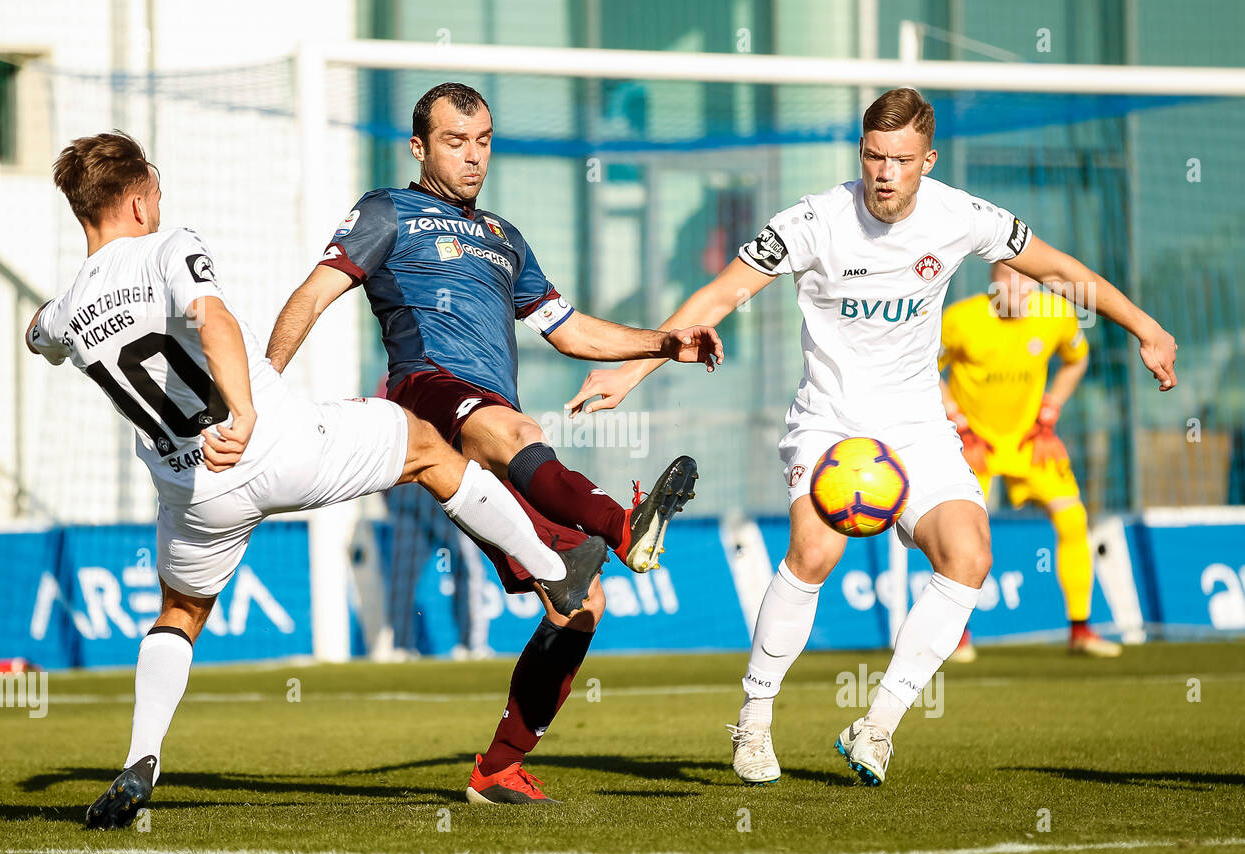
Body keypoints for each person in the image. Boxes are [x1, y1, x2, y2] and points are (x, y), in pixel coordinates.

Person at [567, 88, 1177, 788]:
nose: (885, 172)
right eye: (873, 156)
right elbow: (717, 297)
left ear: (929, 160)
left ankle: (876, 726)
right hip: (830, 422)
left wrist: (1145, 328)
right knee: (817, 548)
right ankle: (755, 719)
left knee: (969, 555)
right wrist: (631, 371)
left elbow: (1061, 270)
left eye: (901, 160)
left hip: (918, 430)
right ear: (860, 152)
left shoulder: (962, 216)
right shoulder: (812, 221)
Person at [28, 131, 606, 829]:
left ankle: (141, 758)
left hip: (192, 493)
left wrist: (52, 327)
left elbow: (41, 332)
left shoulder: (70, 307)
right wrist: (241, 412)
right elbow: (212, 320)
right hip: (272, 444)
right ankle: (553, 567)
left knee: (179, 614)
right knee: (425, 447)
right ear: (140, 198)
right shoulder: (167, 245)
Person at [265, 83, 722, 804]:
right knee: (517, 430)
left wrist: (664, 343)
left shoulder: (506, 238)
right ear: (420, 147)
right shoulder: (388, 211)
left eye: (482, 141)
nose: (473, 157)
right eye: (455, 141)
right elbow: (315, 292)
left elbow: (570, 331)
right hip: (428, 393)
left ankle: (496, 768)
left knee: (579, 602)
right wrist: (263, 389)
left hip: (490, 427)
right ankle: (622, 525)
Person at [941, 260, 1120, 661]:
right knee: (964, 536)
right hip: (975, 446)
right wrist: (959, 424)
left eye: (1028, 281)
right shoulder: (959, 320)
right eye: (1009, 279)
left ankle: (1080, 630)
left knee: (1073, 519)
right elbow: (923, 370)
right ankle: (958, 637)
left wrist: (1050, 409)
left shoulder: (1057, 315)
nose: (1019, 290)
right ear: (993, 283)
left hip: (1030, 442)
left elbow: (1076, 360)